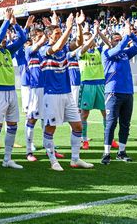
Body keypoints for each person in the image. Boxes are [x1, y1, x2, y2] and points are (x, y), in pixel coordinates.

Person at [40, 12, 93, 172]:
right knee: (50, 128)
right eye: (57, 33)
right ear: (50, 36)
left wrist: (77, 25)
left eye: (60, 33)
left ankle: (75, 159)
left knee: (77, 126)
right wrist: (68, 27)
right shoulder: (44, 50)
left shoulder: (64, 51)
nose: (59, 35)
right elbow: (56, 47)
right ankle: (53, 160)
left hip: (67, 94)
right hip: (52, 95)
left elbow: (79, 42)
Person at [0, 8, 27, 173]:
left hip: (11, 91)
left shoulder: (8, 51)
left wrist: (15, 25)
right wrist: (6, 21)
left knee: (13, 125)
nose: (2, 40)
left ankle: (7, 159)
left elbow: (23, 38)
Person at [101, 19, 137, 164]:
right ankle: (106, 153)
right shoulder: (107, 53)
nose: (119, 42)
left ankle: (121, 152)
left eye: (120, 39)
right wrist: (126, 36)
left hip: (127, 92)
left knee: (125, 123)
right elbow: (119, 48)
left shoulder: (125, 54)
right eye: (116, 40)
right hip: (112, 93)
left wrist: (131, 35)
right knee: (111, 123)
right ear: (111, 42)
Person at [75, 22, 115, 150]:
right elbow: (85, 47)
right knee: (84, 114)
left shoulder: (98, 50)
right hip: (87, 85)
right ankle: (84, 140)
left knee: (106, 113)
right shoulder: (81, 52)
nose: (87, 42)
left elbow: (109, 44)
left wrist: (98, 33)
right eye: (85, 40)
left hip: (101, 85)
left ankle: (109, 139)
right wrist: (93, 37)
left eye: (89, 39)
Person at [24, 28, 47, 162]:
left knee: (48, 119)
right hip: (36, 89)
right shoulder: (29, 50)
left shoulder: (45, 51)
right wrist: (46, 36)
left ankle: (49, 148)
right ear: (33, 38)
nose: (42, 39)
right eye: (39, 36)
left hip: (48, 89)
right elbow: (38, 45)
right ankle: (28, 151)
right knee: (32, 119)